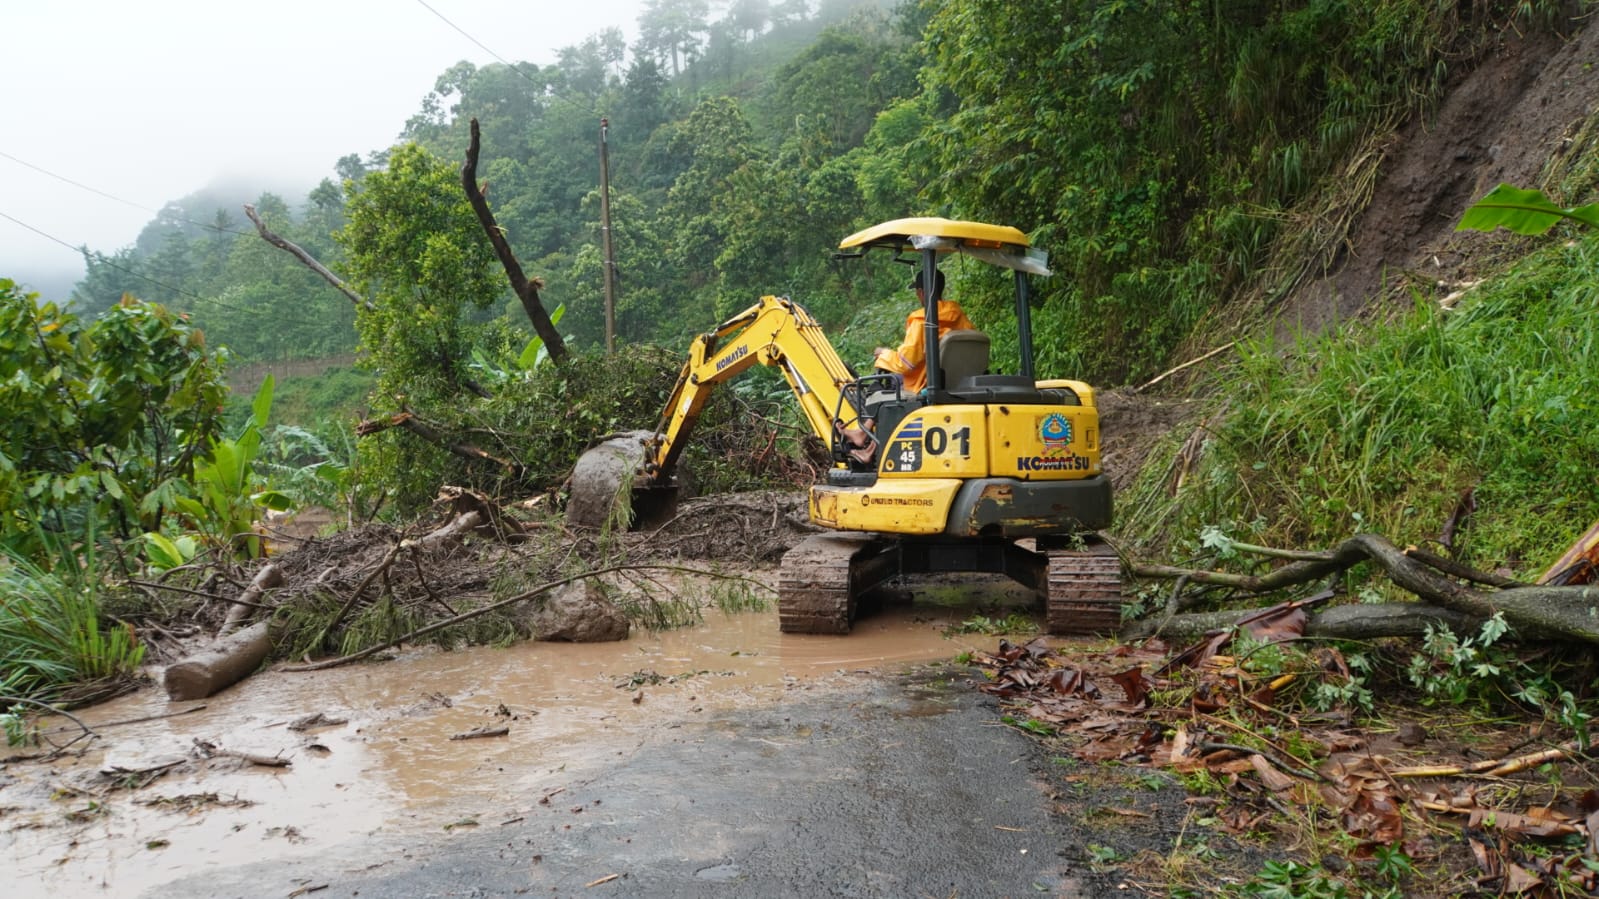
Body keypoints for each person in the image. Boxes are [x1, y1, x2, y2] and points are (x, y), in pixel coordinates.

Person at [873, 269, 975, 393]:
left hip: (924, 385)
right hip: (958, 383)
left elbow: (905, 363)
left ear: (921, 292)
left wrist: (883, 354)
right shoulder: (960, 318)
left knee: (880, 388)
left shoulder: (922, 321)